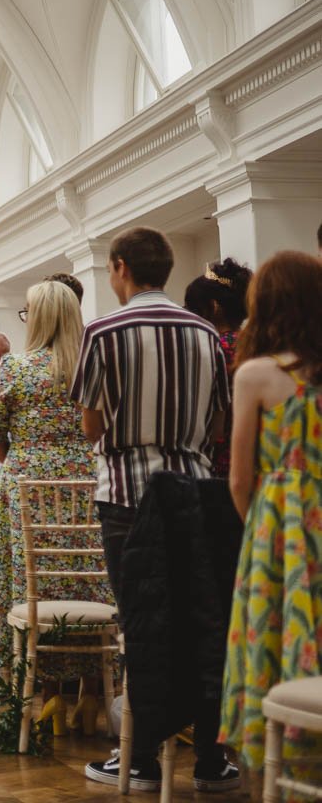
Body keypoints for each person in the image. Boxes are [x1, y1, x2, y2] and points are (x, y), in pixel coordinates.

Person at [71, 227, 235, 791]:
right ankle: (213, 761)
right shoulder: (206, 332)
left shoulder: (103, 331)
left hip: (125, 495)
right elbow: (218, 425)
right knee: (204, 621)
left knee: (142, 625)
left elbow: (91, 426)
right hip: (193, 490)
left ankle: (139, 758)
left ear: (119, 268)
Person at [220, 251, 322, 780]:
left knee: (272, 633)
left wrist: (259, 521)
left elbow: (239, 477)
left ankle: (280, 763)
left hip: (277, 524)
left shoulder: (256, 373)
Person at [0, 281, 105, 703]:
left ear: (39, 317)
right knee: (83, 575)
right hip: (85, 477)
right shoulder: (91, 363)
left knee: (30, 577)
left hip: (25, 480)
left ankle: (40, 675)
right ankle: (92, 678)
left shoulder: (15, 368)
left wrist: (22, 460)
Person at [183, 258, 253, 478]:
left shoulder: (212, 349)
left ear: (213, 307)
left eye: (191, 308)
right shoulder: (256, 344)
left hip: (219, 465)